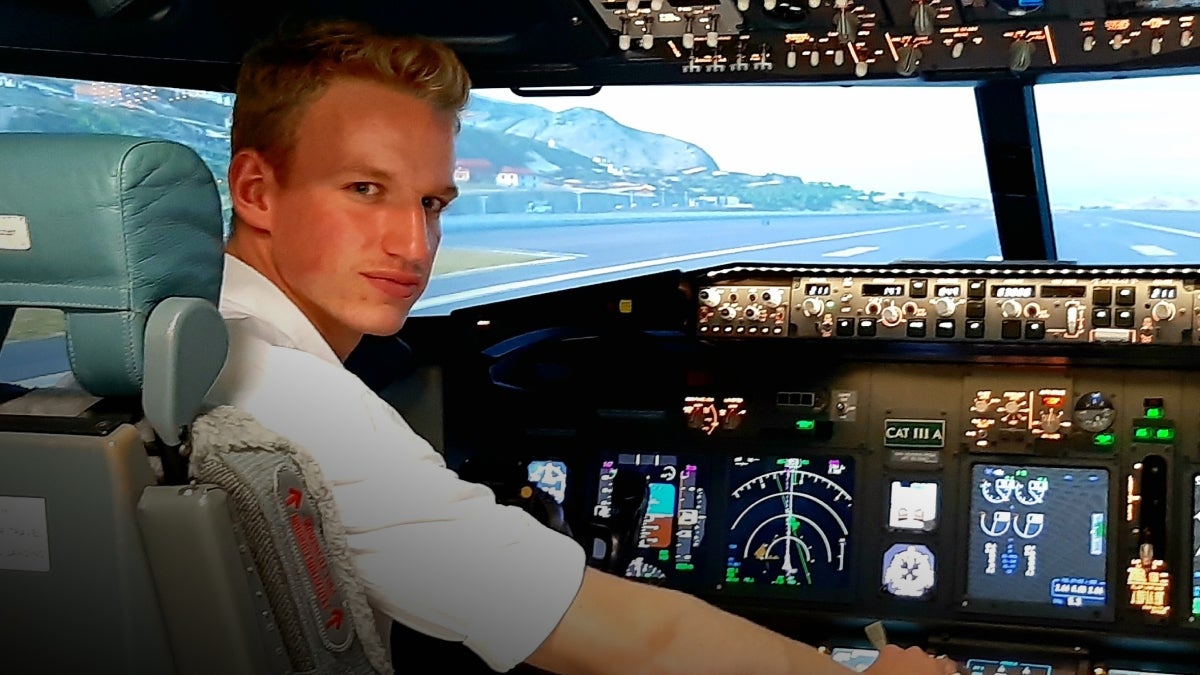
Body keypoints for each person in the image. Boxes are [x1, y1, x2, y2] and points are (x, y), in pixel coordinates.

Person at [208, 16, 959, 675]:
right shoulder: (290, 397)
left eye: (432, 202)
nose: (414, 243)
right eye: (365, 189)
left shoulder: (185, 348)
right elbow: (629, 639)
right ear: (256, 191)